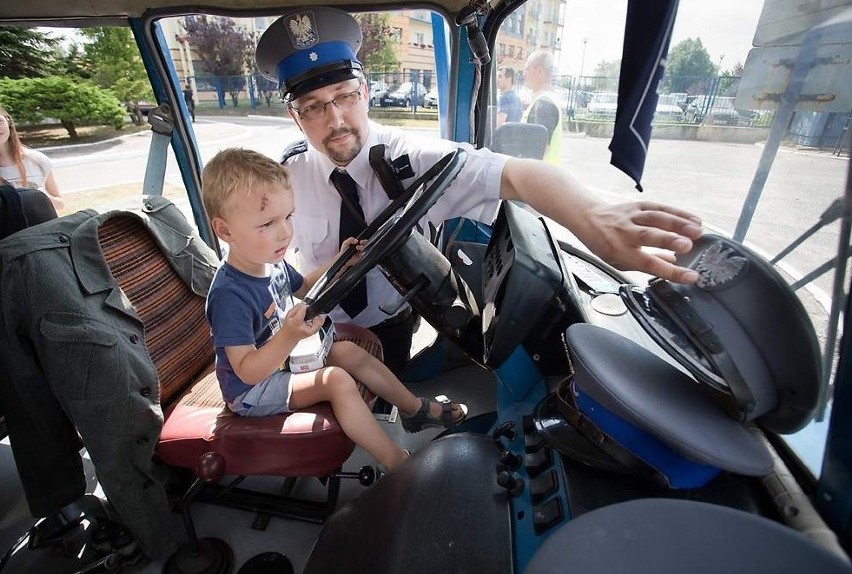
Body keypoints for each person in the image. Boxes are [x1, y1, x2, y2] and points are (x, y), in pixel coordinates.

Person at [255, 7, 703, 374]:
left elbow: (517, 174)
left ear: (366, 92)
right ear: (296, 117)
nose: (334, 120)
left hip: (391, 326)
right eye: (313, 107)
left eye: (344, 96)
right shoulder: (288, 173)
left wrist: (591, 215)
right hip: (314, 328)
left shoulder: (410, 157)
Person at [200, 147, 468, 472]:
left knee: (349, 354)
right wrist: (287, 335)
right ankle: (398, 464)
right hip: (252, 391)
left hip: (283, 361)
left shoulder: (269, 262)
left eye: (287, 217)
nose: (285, 231)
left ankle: (416, 411)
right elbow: (247, 371)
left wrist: (341, 261)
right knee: (336, 380)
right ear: (225, 231)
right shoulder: (230, 294)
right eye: (268, 223)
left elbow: (303, 285)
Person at [0, 105, 64, 212]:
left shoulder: (37, 159)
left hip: (42, 226)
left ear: (8, 122)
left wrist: (42, 196)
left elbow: (60, 204)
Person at [522, 50, 563, 164]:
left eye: (527, 69)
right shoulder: (545, 100)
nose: (523, 74)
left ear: (539, 71)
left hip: (538, 178)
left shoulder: (544, 103)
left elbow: (538, 151)